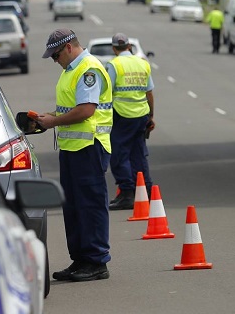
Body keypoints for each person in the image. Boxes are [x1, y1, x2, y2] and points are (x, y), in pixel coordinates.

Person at [35, 28, 113, 282]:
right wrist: (48, 118)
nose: (56, 61)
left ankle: (96, 261)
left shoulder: (88, 69)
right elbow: (71, 108)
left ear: (68, 47)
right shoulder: (71, 70)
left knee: (90, 205)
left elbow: (86, 111)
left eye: (56, 56)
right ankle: (80, 259)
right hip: (73, 148)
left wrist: (53, 121)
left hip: (89, 146)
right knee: (74, 206)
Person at [106, 33, 155, 211]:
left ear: (114, 48)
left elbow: (107, 92)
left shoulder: (114, 65)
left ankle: (127, 193)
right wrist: (151, 117)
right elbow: (149, 93)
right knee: (139, 154)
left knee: (119, 154)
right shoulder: (143, 63)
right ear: (128, 46)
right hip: (141, 114)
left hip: (122, 115)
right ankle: (146, 191)